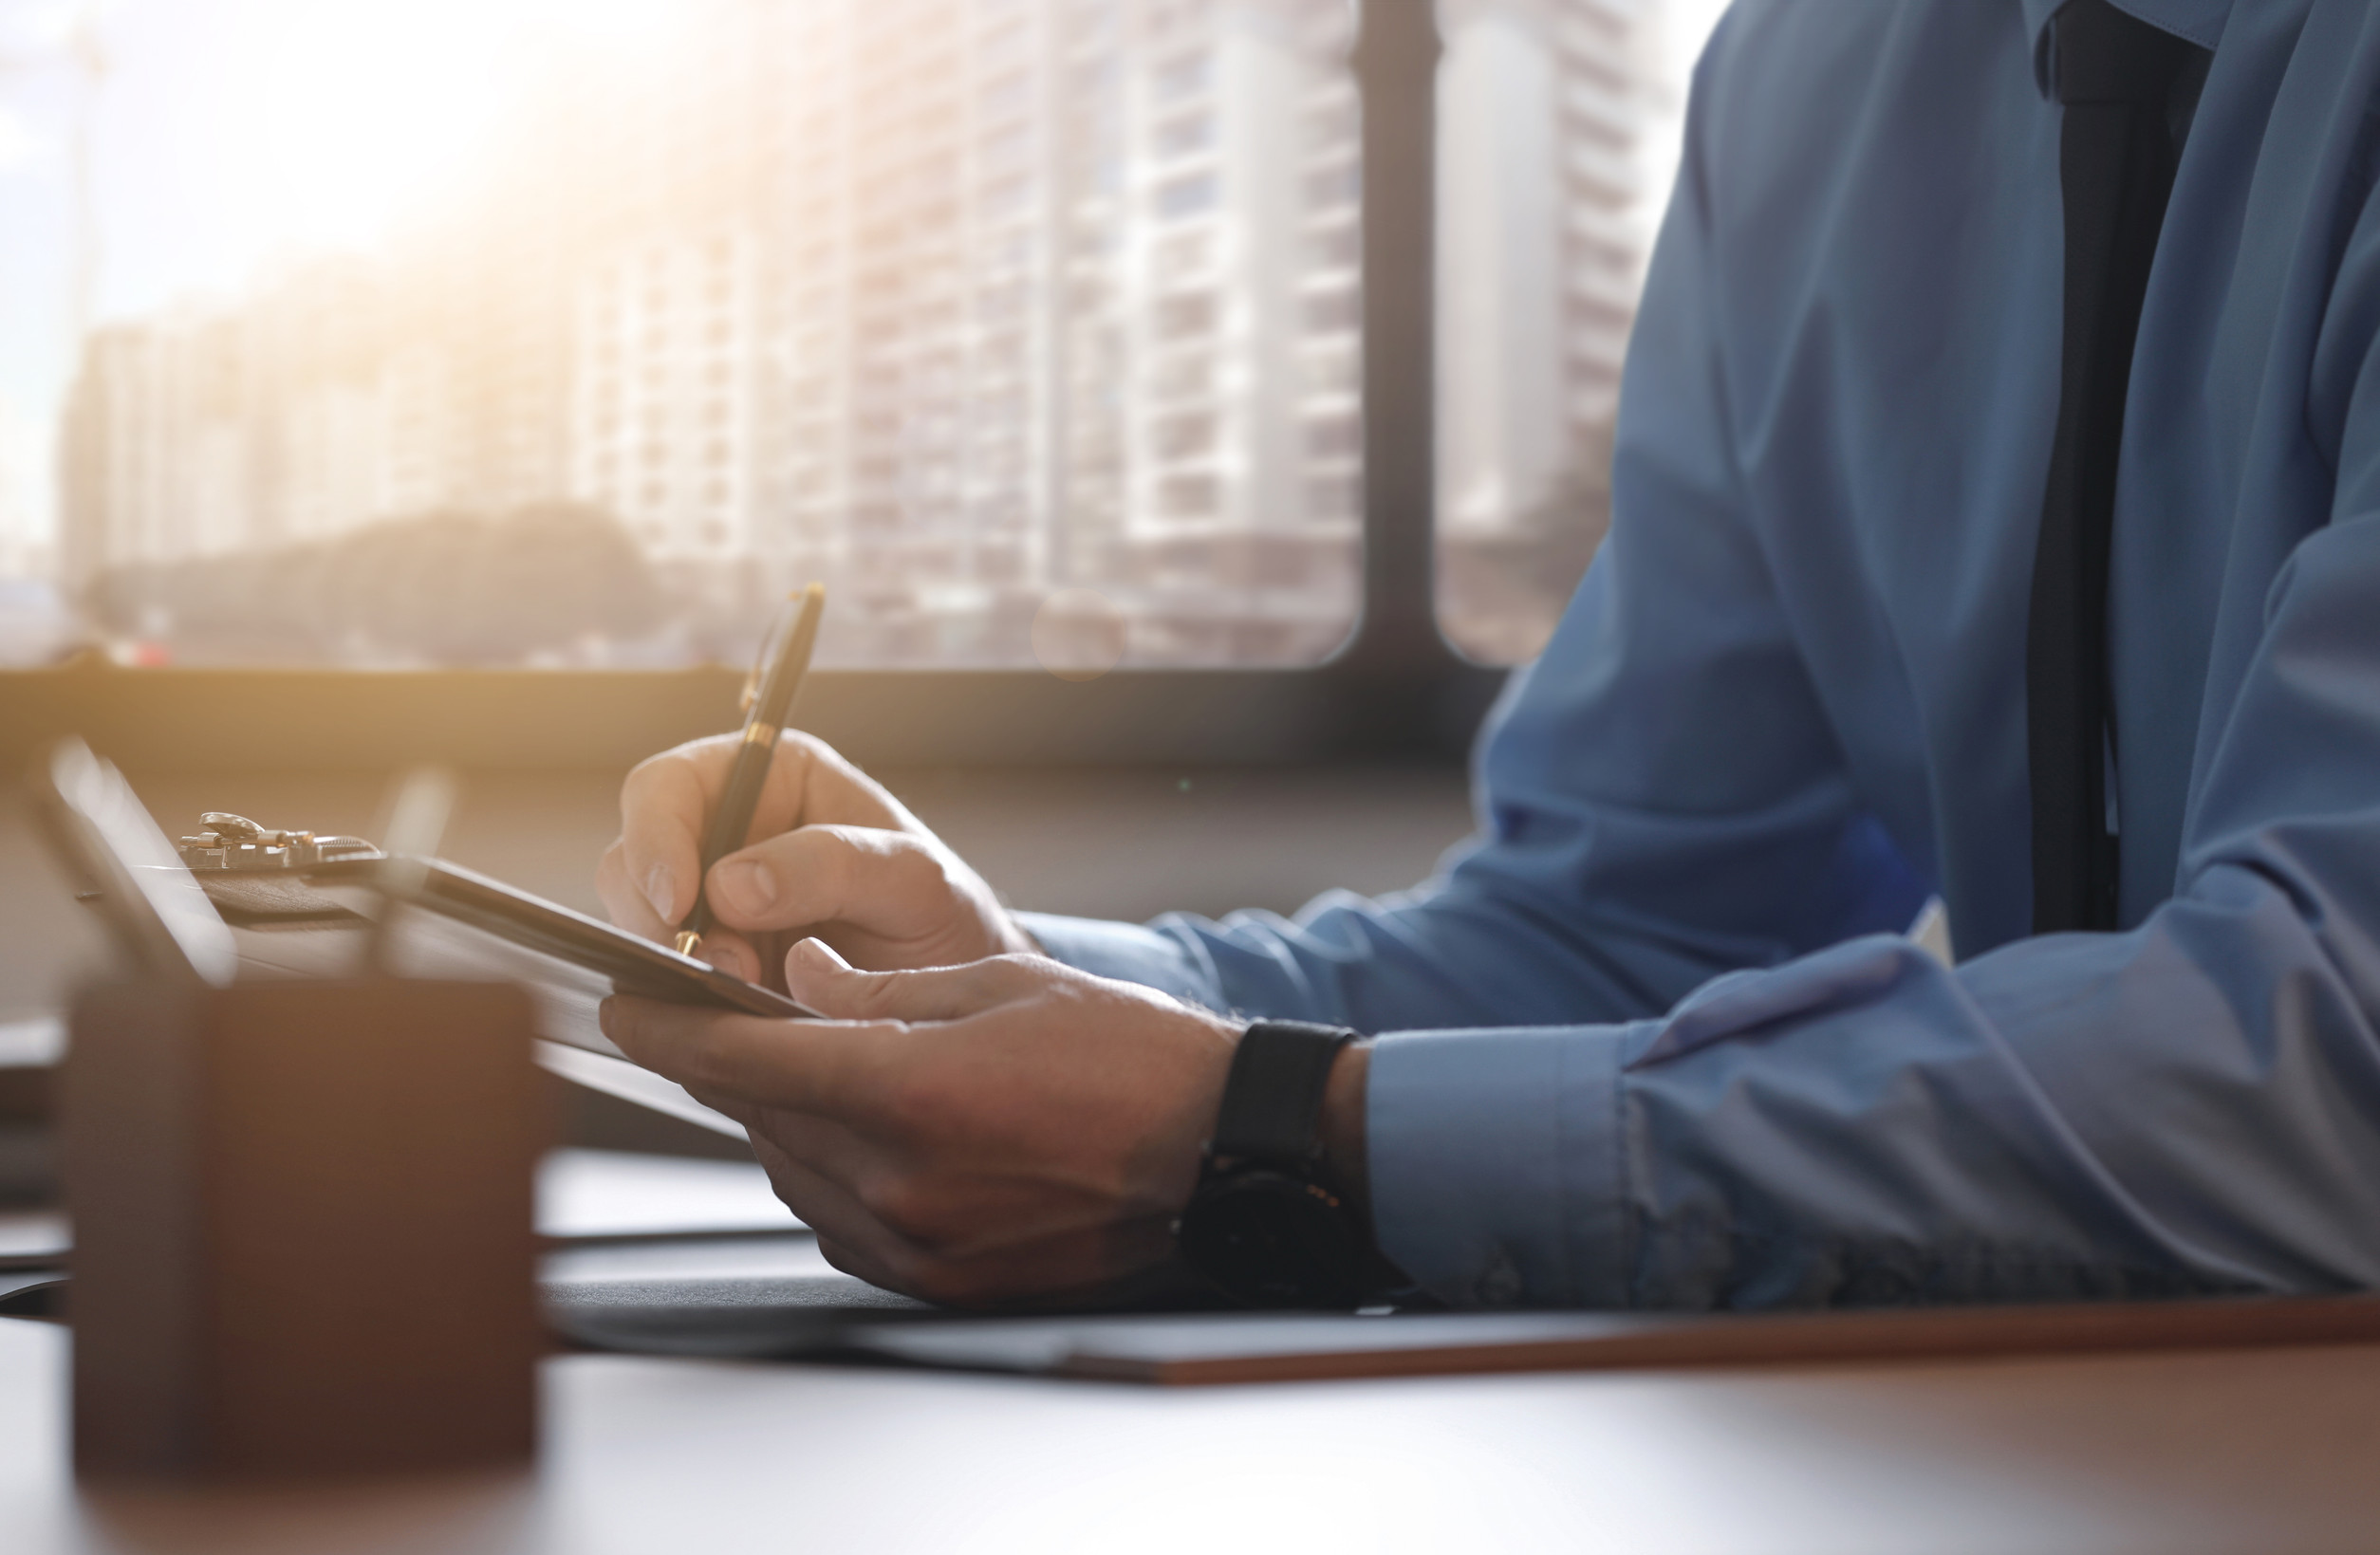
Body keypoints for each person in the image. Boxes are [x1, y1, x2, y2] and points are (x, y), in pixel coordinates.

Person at [596, 0, 2380, 1311]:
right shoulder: (1808, 80)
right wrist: (1000, 992)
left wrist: (1273, 1135)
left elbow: (2336, 1068)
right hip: (2068, 1458)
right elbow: (1625, 934)